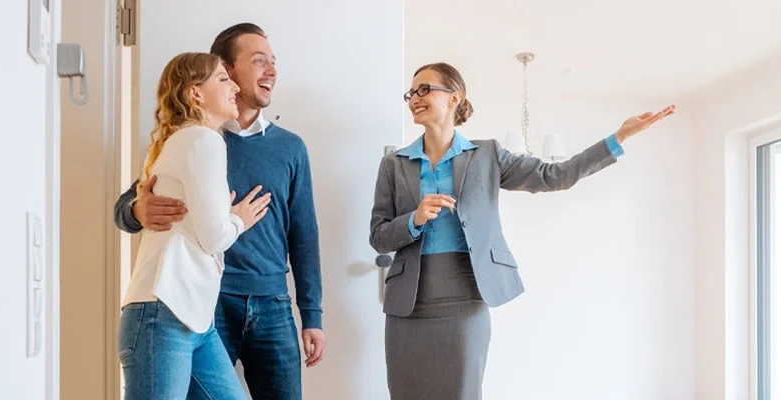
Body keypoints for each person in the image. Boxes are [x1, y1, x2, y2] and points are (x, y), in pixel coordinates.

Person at [369, 62, 675, 400]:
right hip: (408, 303)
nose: (415, 98)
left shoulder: (487, 155)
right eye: (411, 92)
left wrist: (617, 138)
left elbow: (554, 175)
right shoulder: (394, 164)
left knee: (461, 393)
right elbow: (379, 236)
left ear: (454, 97)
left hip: (465, 295)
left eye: (424, 89)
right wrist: (415, 218)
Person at [113, 23, 325, 399]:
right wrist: (137, 210)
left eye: (273, 62)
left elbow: (304, 236)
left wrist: (313, 315)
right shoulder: (194, 137)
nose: (271, 71)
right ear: (226, 70)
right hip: (205, 303)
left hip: (271, 302)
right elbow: (126, 207)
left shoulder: (289, 148)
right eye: (259, 61)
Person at [118, 51, 272, 399]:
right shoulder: (201, 140)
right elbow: (214, 236)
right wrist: (239, 218)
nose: (234, 86)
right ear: (195, 93)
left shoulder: (180, 142)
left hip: (191, 319)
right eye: (222, 78)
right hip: (163, 315)